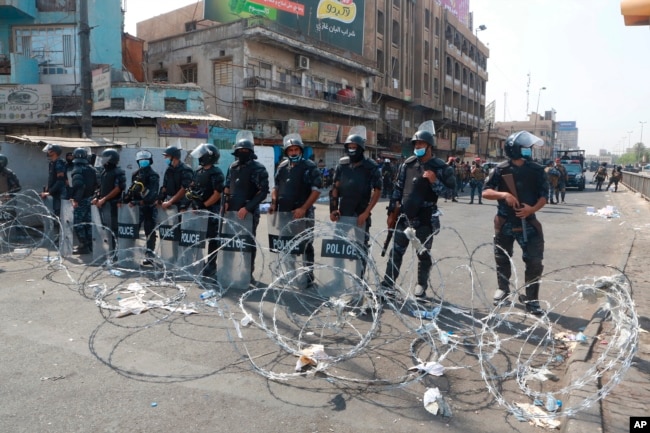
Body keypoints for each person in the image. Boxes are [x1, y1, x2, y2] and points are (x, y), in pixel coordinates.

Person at [381, 121, 456, 298]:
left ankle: (421, 285)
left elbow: (451, 192)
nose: (418, 147)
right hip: (405, 217)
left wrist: (434, 181)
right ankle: (388, 284)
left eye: (421, 144)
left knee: (423, 254)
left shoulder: (440, 167)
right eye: (416, 144)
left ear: (429, 146)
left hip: (424, 219)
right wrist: (392, 211)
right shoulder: (407, 165)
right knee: (396, 253)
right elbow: (397, 190)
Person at [483, 131, 548, 316]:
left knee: (534, 261)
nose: (529, 150)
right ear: (515, 149)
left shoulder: (536, 170)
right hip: (505, 223)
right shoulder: (500, 169)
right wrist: (503, 194)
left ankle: (532, 299)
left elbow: (544, 196)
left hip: (529, 222)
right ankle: (503, 289)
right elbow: (485, 192)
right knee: (502, 258)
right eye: (525, 147)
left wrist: (532, 209)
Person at [270, 133, 322, 284]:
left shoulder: (309, 167)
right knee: (287, 245)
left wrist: (303, 208)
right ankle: (290, 273)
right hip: (284, 214)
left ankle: (307, 275)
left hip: (302, 214)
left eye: (296, 150)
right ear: (286, 152)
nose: (293, 153)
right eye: (290, 150)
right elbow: (276, 187)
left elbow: (316, 190)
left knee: (305, 245)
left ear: (301, 151)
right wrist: (274, 202)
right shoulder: (282, 167)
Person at [329, 127, 382, 274]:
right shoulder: (342, 166)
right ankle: (338, 279)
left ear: (361, 148)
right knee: (338, 247)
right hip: (343, 212)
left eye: (355, 147)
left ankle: (359, 282)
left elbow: (377, 190)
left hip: (361, 214)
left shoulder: (370, 167)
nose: (352, 150)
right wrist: (333, 209)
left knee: (360, 249)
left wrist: (366, 212)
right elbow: (335, 188)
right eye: (349, 147)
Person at [223, 133, 269, 282]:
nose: (242, 154)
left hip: (248, 212)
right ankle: (228, 271)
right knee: (230, 242)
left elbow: (262, 192)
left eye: (245, 151)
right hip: (231, 211)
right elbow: (227, 186)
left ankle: (247, 273)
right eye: (239, 151)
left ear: (251, 153)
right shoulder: (233, 167)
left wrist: (247, 208)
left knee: (247, 243)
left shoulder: (258, 168)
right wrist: (225, 202)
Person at [187, 143, 225, 277]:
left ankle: (211, 265)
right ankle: (198, 263)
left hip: (211, 210)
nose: (200, 157)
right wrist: (194, 203)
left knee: (213, 239)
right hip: (198, 210)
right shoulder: (198, 171)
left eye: (202, 154)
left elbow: (217, 194)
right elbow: (192, 187)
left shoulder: (216, 172)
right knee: (198, 238)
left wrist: (204, 206)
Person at [122, 150, 160, 264]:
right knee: (133, 230)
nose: (143, 163)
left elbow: (152, 195)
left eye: (145, 161)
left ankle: (149, 255)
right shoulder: (135, 174)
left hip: (148, 207)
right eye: (141, 161)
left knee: (150, 231)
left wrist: (140, 199)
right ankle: (130, 255)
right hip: (136, 207)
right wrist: (127, 198)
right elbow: (132, 190)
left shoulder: (153, 176)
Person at [91, 149, 126, 254]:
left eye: (104, 158)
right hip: (105, 205)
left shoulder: (118, 172)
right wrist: (97, 197)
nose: (102, 161)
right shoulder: (105, 172)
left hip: (113, 205)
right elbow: (101, 188)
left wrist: (104, 199)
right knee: (106, 228)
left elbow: (118, 188)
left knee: (114, 228)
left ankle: (116, 252)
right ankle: (109, 250)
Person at [69, 148, 98, 255]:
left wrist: (76, 199)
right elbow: (97, 184)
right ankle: (90, 244)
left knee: (78, 223)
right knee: (88, 223)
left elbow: (79, 185)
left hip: (81, 200)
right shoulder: (91, 169)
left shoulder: (77, 169)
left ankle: (83, 245)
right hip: (90, 198)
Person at [158, 146, 193, 211]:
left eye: (167, 156)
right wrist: (160, 200)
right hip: (170, 203)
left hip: (182, 204)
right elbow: (164, 187)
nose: (165, 158)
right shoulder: (169, 169)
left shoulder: (185, 170)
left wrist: (170, 202)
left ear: (174, 157)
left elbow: (184, 189)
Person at [40, 144, 67, 218]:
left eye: (49, 150)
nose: (48, 152)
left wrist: (50, 192)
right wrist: (48, 188)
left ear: (54, 152)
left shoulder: (59, 163)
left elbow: (60, 181)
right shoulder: (52, 163)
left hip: (60, 193)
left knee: (59, 215)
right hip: (55, 193)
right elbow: (52, 177)